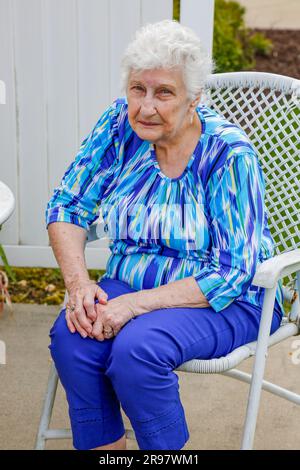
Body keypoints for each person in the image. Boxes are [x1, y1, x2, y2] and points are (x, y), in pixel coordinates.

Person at [45, 19, 284, 451]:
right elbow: (68, 204)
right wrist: (79, 285)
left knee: (137, 350)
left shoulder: (229, 154)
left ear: (194, 99)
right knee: (73, 337)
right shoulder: (119, 126)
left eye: (164, 93)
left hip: (225, 298)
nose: (146, 107)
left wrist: (133, 306)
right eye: (138, 89)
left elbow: (232, 272)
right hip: (131, 282)